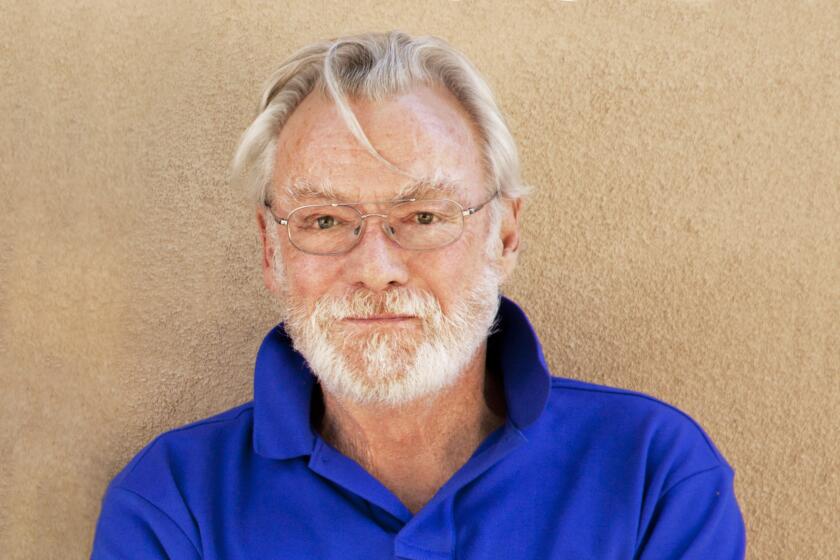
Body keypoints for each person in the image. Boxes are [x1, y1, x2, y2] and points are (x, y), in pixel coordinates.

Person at [91, 31, 746, 559]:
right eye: (323, 221)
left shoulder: (651, 475)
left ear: (505, 234)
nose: (376, 269)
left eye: (425, 218)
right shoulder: (173, 507)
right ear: (270, 248)